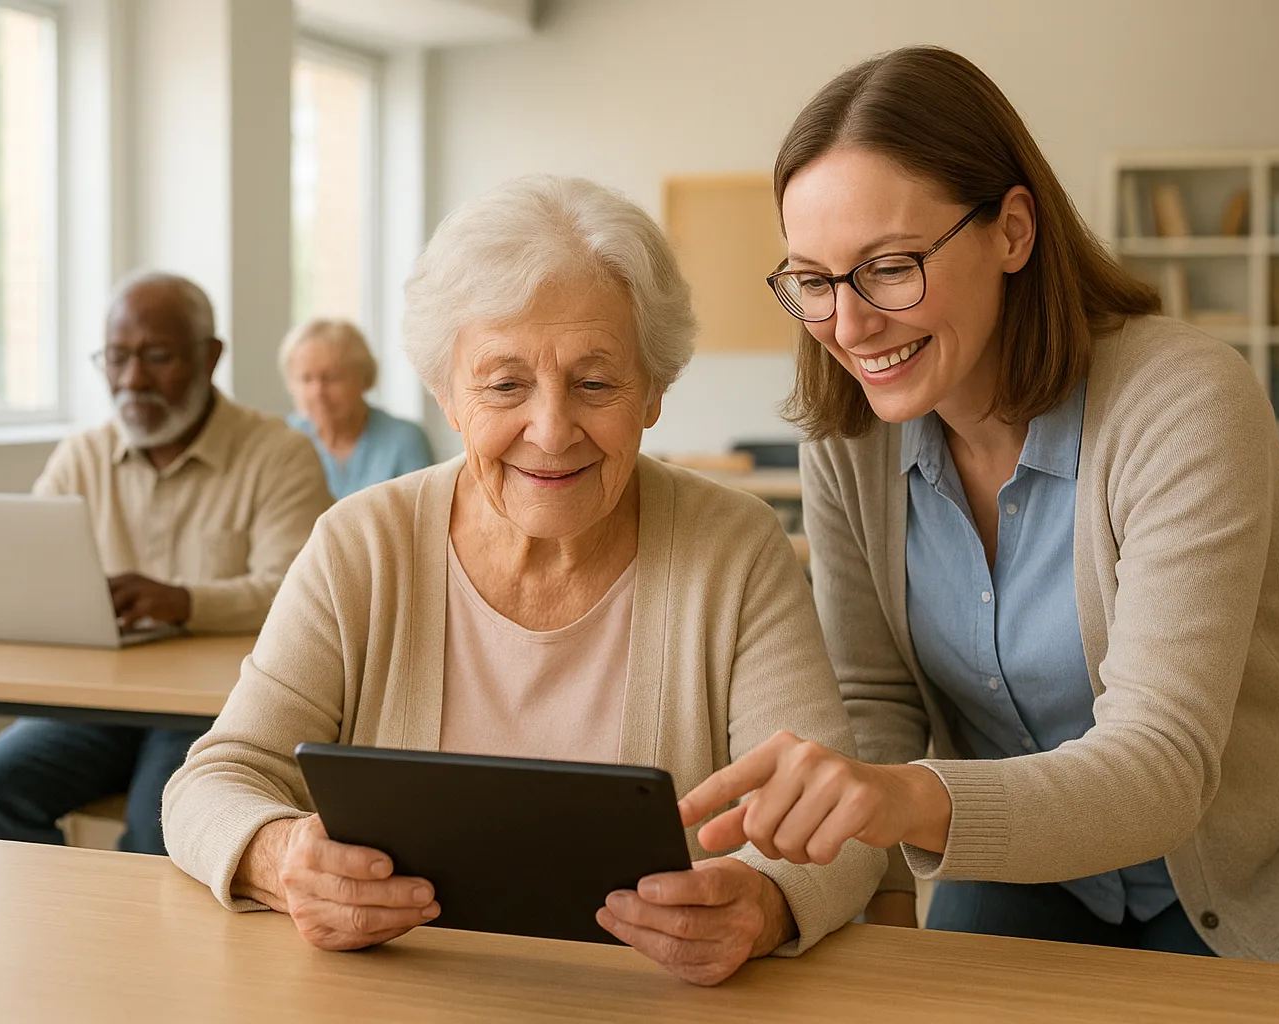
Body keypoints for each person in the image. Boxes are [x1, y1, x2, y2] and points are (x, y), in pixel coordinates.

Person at [680, 46, 1279, 971]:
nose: (849, 329)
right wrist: (791, 891)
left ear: (1013, 230)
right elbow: (873, 706)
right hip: (1025, 864)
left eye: (889, 268)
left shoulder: (1183, 401)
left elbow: (1162, 763)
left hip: (1263, 870)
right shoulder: (848, 436)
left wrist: (904, 798)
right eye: (813, 281)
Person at [162, 175, 880, 986]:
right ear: (448, 395)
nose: (550, 429)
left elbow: (839, 824)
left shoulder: (734, 548)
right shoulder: (361, 544)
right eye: (505, 384)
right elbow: (210, 782)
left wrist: (765, 898)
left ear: (654, 392)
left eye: (596, 382)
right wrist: (277, 852)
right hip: (399, 996)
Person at [0, 271, 333, 856]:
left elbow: (298, 595)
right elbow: (29, 569)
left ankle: (136, 947)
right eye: (116, 357)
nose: (131, 379)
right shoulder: (81, 457)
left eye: (156, 357)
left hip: (213, 706)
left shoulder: (278, 455)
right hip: (96, 703)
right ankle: (57, 937)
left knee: (164, 828)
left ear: (209, 358)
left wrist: (184, 602)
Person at [280, 318, 435, 498]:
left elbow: (423, 517)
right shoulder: (284, 441)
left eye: (331, 378)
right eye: (306, 379)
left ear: (363, 378)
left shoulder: (404, 441)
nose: (318, 392)